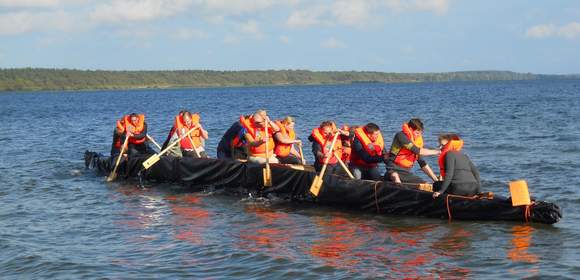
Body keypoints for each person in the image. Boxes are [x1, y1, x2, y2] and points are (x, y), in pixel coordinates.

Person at [384, 118, 440, 184]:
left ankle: (395, 177)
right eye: (417, 133)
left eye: (420, 133)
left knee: (425, 184)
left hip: (405, 172)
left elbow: (422, 163)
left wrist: (436, 180)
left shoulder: (416, 141)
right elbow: (417, 151)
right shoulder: (401, 136)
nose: (418, 135)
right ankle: (394, 176)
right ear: (410, 129)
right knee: (394, 174)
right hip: (393, 168)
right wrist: (437, 152)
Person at [433, 134, 482, 198]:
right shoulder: (464, 156)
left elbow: (449, 174)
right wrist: (479, 192)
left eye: (442, 145)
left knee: (436, 184)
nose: (440, 147)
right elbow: (476, 173)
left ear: (450, 144)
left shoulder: (449, 154)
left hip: (458, 189)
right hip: (473, 189)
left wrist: (441, 191)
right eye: (439, 145)